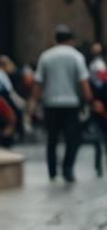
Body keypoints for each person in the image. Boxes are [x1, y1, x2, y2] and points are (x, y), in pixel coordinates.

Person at [33, 25, 92, 184]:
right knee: (72, 138)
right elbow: (83, 82)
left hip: (50, 104)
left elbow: (38, 83)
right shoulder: (76, 56)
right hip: (71, 104)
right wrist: (89, 100)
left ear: (55, 39)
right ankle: (67, 168)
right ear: (71, 40)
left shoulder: (45, 56)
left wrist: (33, 104)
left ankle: (52, 171)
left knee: (52, 139)